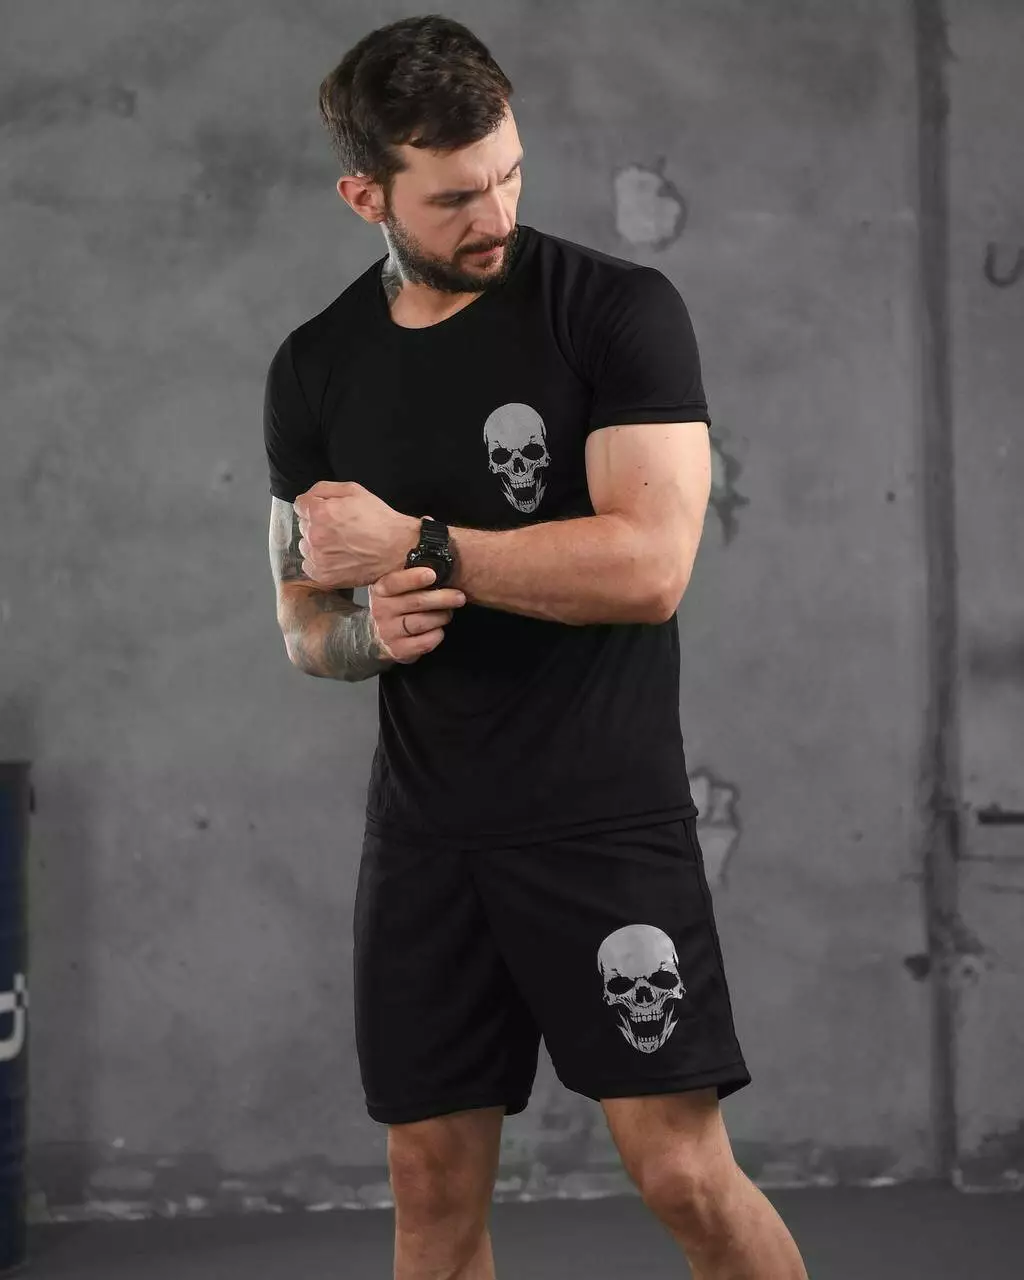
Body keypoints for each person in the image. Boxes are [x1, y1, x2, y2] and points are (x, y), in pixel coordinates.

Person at [265, 14, 808, 1280]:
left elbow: (650, 565)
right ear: (365, 196)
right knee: (427, 1185)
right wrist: (363, 630)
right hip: (428, 830)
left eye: (508, 173)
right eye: (454, 197)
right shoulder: (314, 368)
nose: (495, 214)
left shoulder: (613, 311)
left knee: (682, 1175)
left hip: (601, 816)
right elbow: (301, 617)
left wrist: (425, 546)